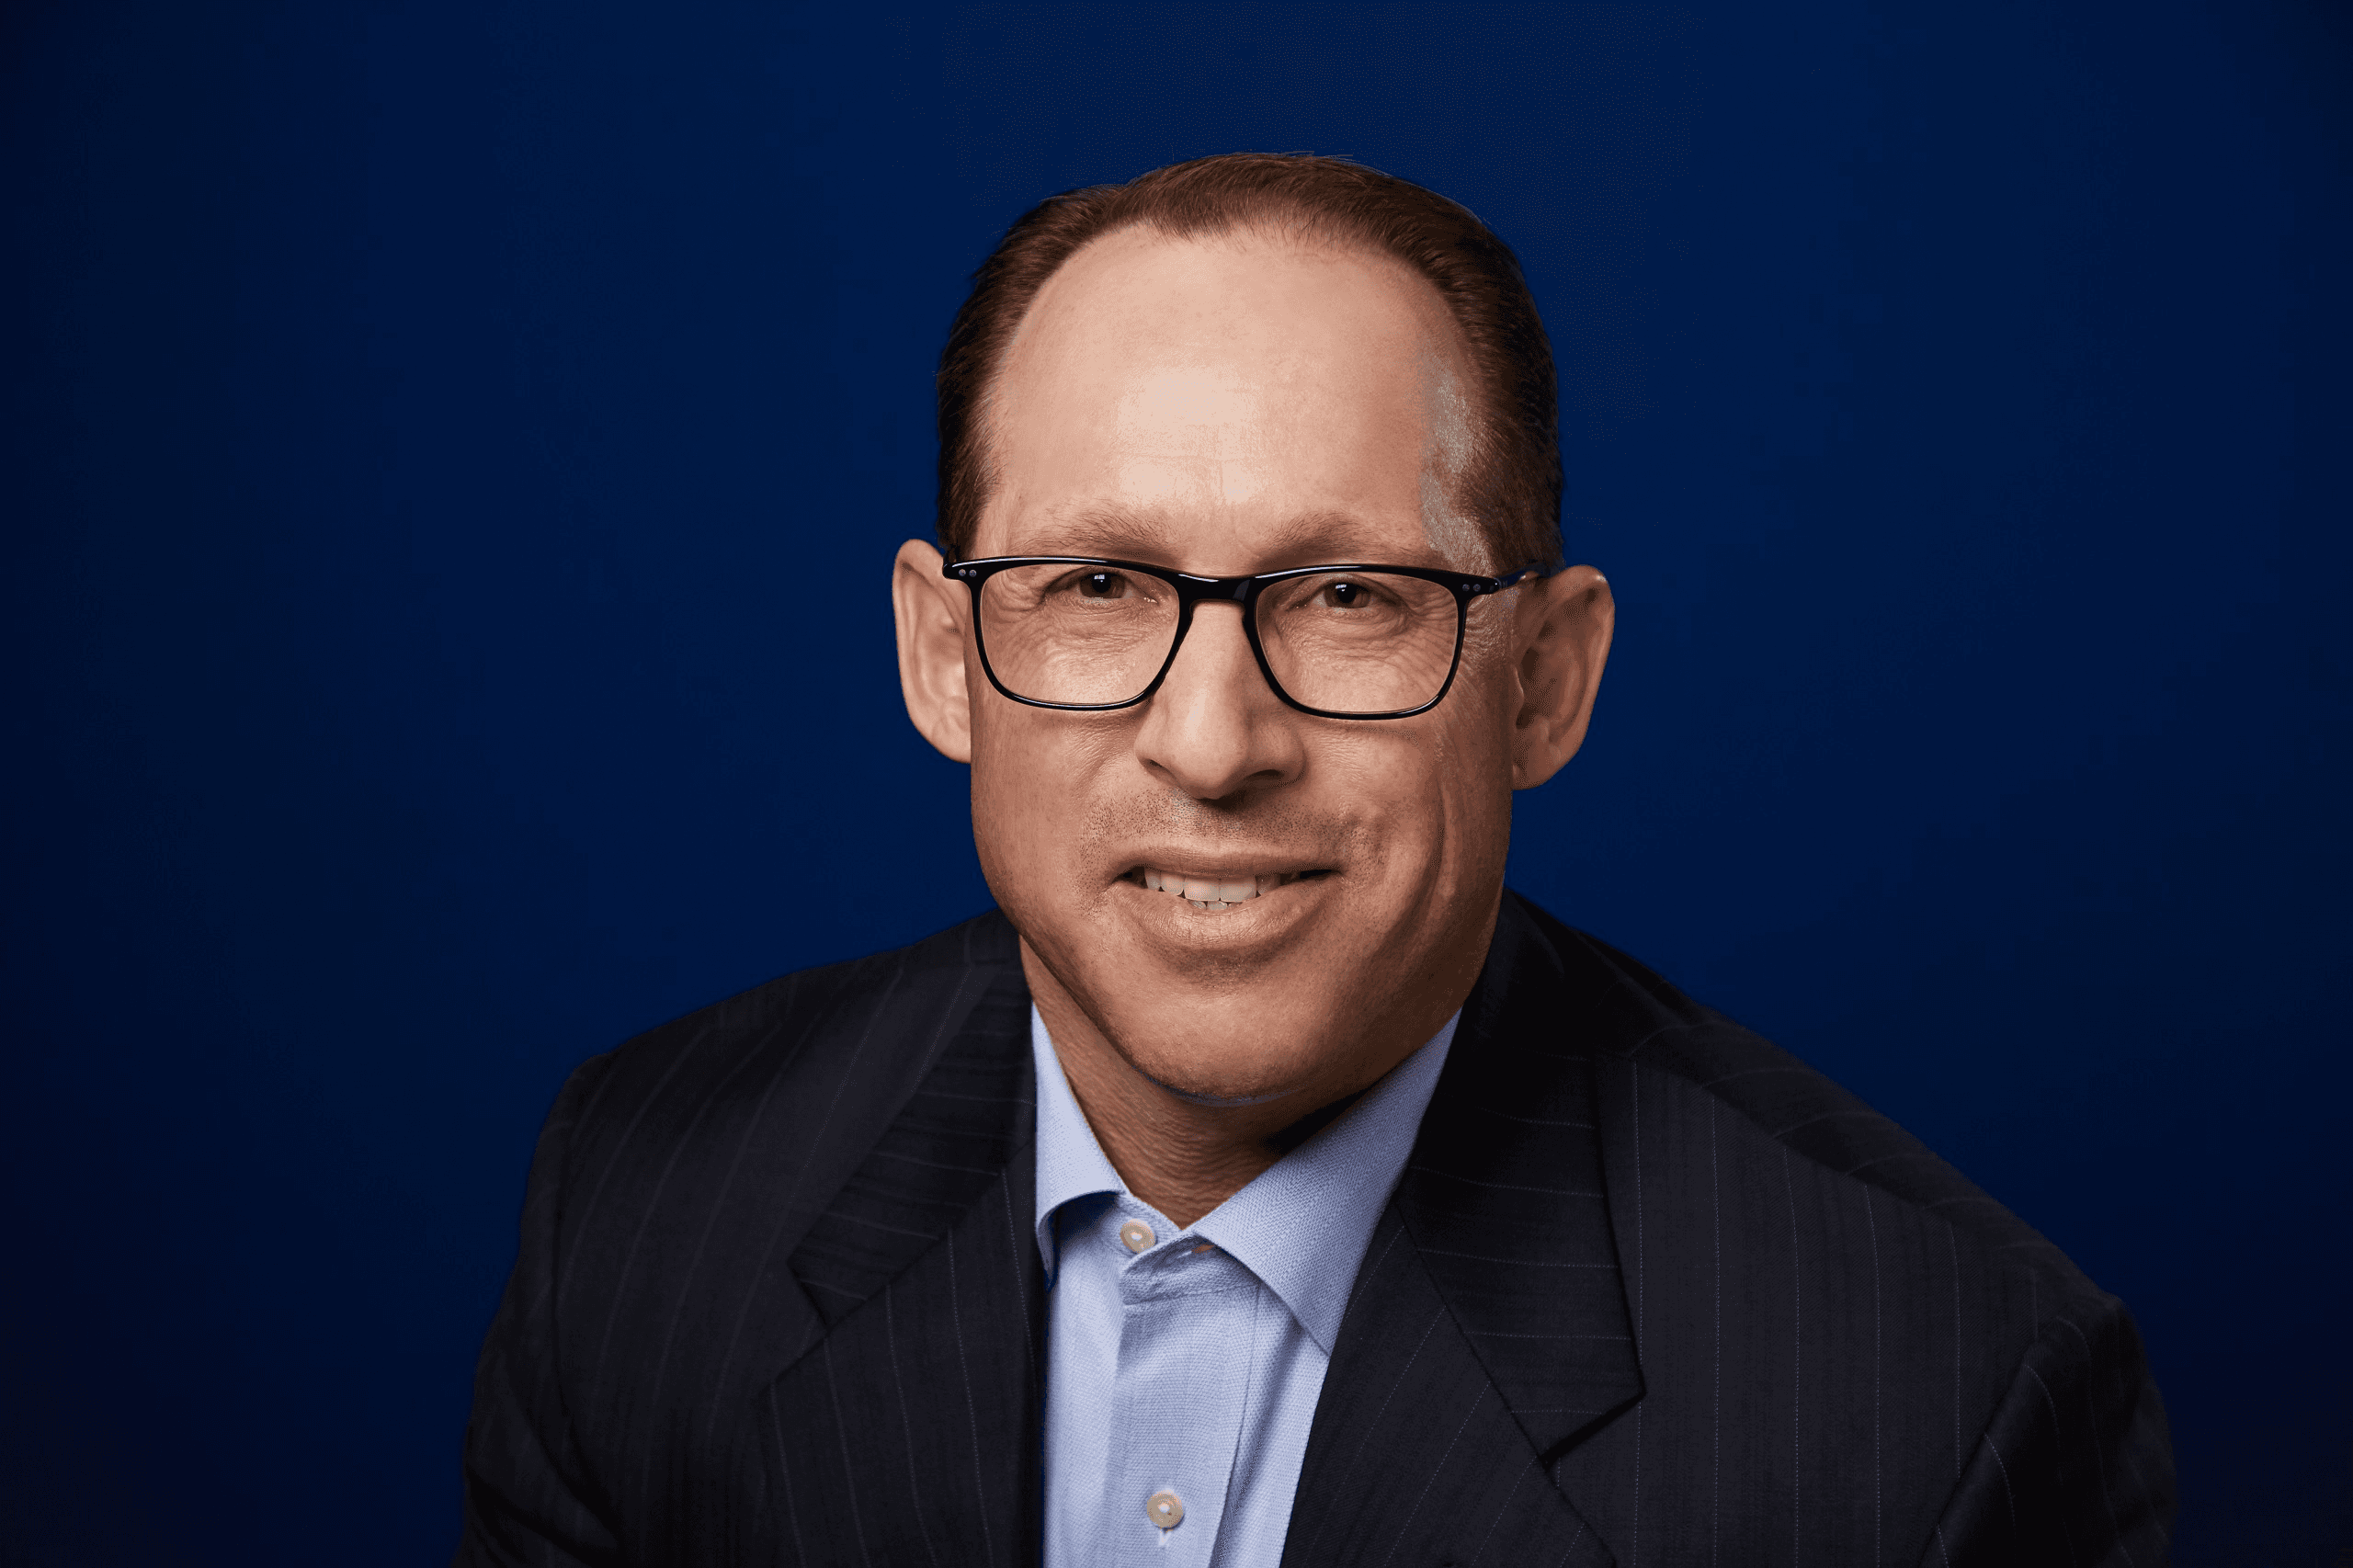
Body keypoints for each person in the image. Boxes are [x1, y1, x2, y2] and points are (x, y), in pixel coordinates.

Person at [454, 153, 2174, 1568]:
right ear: (941, 656)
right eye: (1098, 584)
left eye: (1351, 595)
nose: (1212, 743)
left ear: (1544, 683)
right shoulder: (645, 1206)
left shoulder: (1938, 1406)